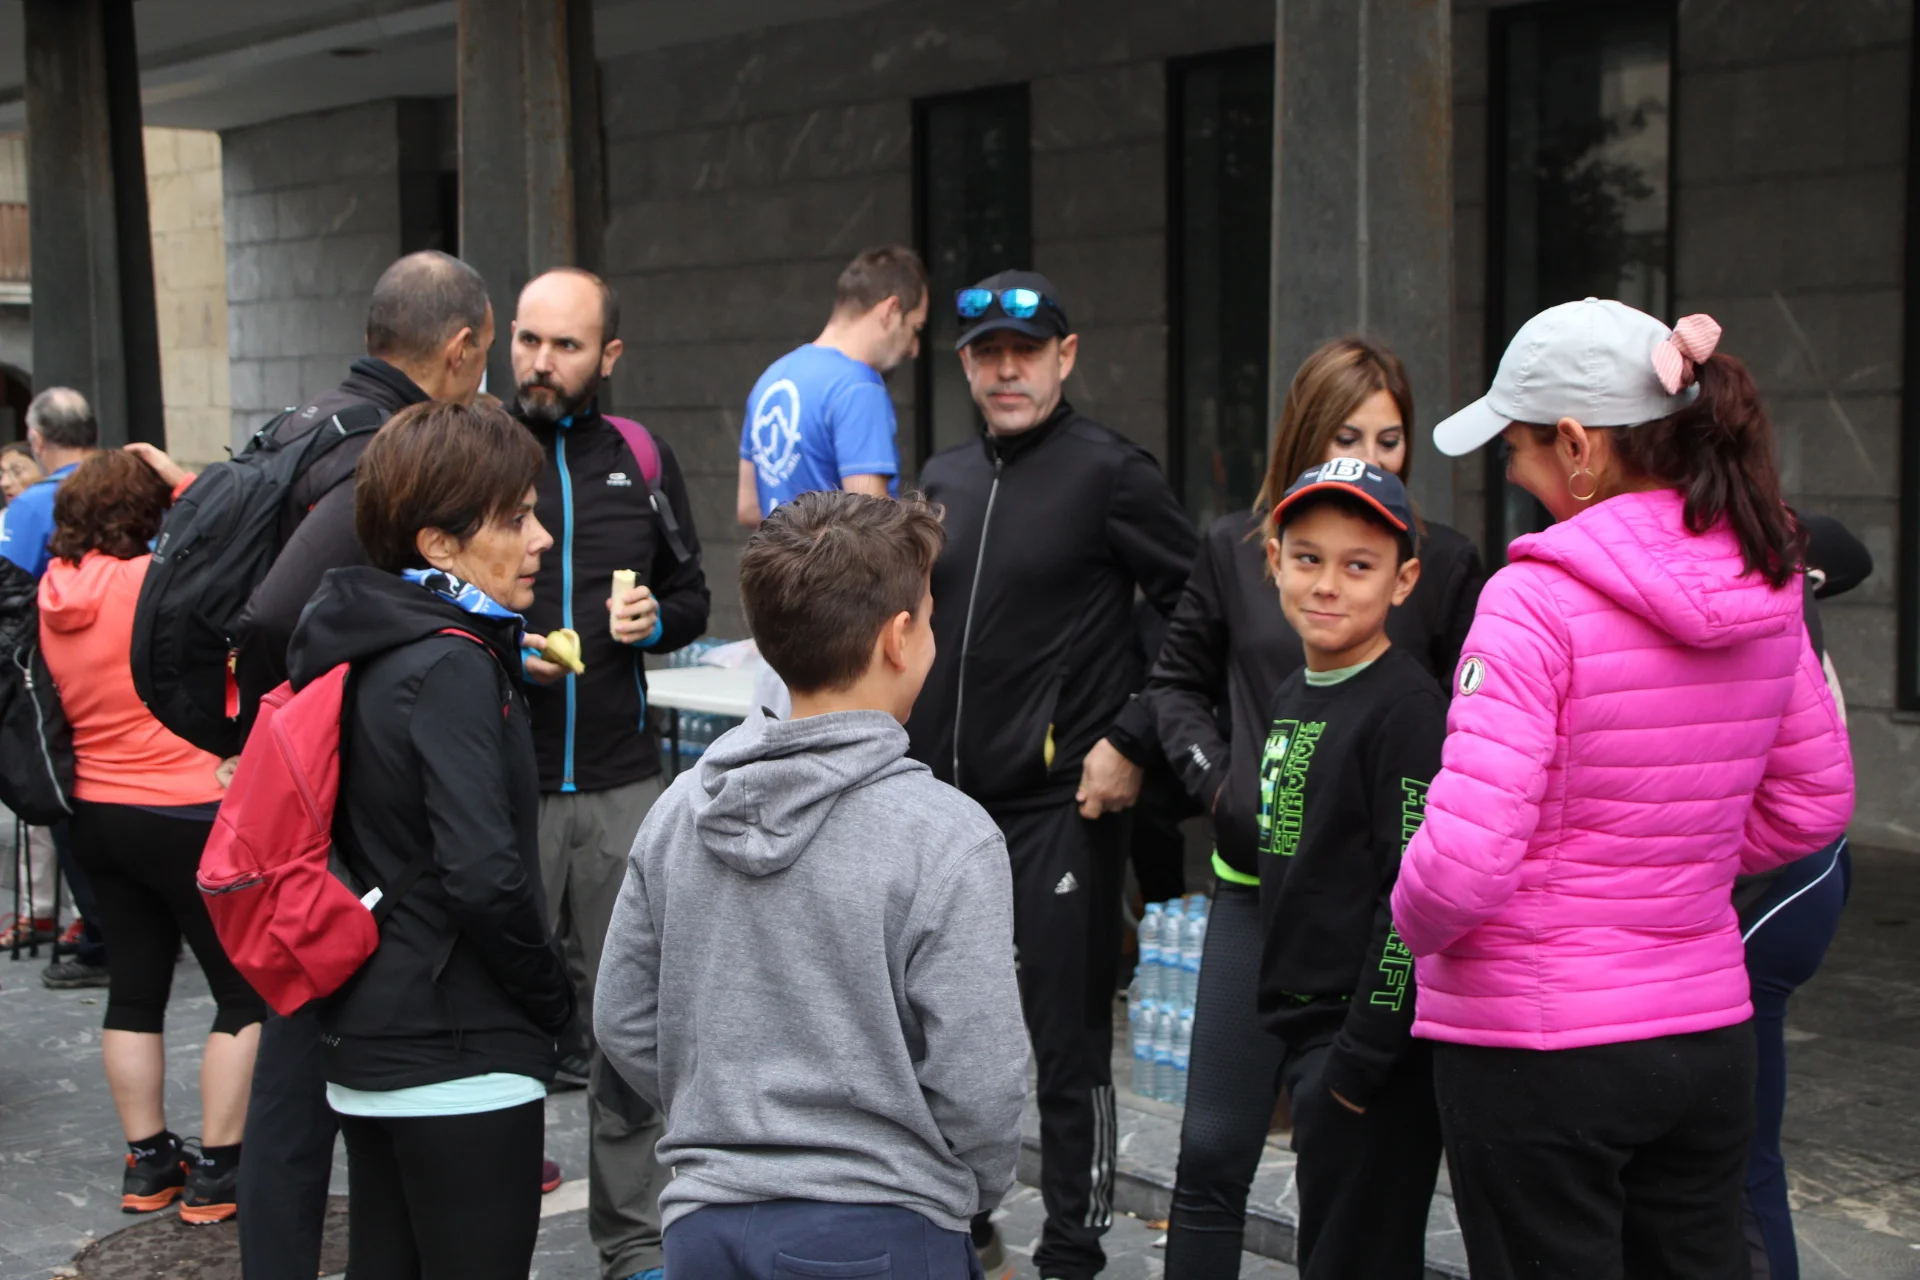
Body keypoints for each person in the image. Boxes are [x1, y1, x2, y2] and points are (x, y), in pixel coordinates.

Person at [1392, 301, 1857, 1279]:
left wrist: (1406, 917)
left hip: (1536, 1042)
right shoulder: (1767, 579)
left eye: (1514, 448)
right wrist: (1674, 853)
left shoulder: (1531, 601)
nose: (1509, 472)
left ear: (1578, 445)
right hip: (1704, 1033)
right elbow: (1813, 800)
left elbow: (1463, 863)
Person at [596, 489, 1029, 1279]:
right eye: (930, 619)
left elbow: (622, 1017)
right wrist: (963, 1189)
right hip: (886, 1226)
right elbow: (982, 1081)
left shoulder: (678, 810)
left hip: (704, 1224)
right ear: (899, 638)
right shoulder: (948, 836)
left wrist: (721, 1113)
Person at [1149, 336, 1485, 1276]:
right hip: (1260, 901)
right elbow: (1173, 685)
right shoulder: (1239, 557)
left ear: (1399, 578)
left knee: (1357, 1211)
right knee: (1215, 1149)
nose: (1329, 584)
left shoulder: (1438, 579)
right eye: (1346, 435)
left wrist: (1366, 1049)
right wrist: (1226, 789)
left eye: (1391, 439)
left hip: (1366, 948)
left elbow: (1425, 852)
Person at [907, 271, 1198, 1280]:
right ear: (965, 366)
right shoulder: (941, 477)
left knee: (1067, 1042)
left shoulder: (1111, 472)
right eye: (987, 353)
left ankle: (1073, 1246)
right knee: (937, 1032)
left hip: (1061, 806)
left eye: (1025, 352)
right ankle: (962, 1222)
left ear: (1065, 357)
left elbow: (1194, 609)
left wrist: (1132, 735)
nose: (1007, 370)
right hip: (945, 807)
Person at [234, 250, 495, 1280]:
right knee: (300, 1074)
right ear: (463, 346)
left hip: (325, 820)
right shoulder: (378, 448)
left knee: (309, 1067)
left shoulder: (319, 422)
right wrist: (324, 726)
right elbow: (272, 619)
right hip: (332, 831)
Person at [284, 400, 573, 1280]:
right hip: (458, 1043)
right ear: (438, 544)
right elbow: (484, 875)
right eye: (516, 519)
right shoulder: (451, 663)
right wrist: (553, 999)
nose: (541, 540)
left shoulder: (374, 638)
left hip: (375, 1029)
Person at [511, 267, 709, 1280]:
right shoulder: (477, 449)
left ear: (609, 357)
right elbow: (420, 592)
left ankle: (631, 1243)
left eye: (566, 345)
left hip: (624, 782)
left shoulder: (641, 455)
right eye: (528, 339)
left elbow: (694, 594)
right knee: (495, 1023)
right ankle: (482, 1229)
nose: (541, 363)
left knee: (630, 1023)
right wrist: (504, 653)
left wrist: (655, 620)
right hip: (502, 784)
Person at [40, 445, 267, 1223]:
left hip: (96, 814)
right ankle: (219, 1170)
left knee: (134, 992)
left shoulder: (55, 588)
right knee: (244, 994)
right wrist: (185, 482)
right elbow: (240, 528)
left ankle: (148, 1163)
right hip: (188, 810)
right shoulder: (157, 583)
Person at [1251, 460, 1445, 1276]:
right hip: (1309, 1038)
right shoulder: (1294, 690)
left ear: (1403, 581)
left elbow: (1413, 899)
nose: (1327, 584)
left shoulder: (1407, 710)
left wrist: (1357, 1064)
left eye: (1358, 565)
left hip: (1368, 1055)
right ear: (1274, 561)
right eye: (1308, 558)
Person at [1739, 513, 1868, 1280]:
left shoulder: (1751, 541)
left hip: (1786, 877)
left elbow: (1852, 554)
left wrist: (1783, 550)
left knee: (1740, 1153)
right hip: (1780, 871)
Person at [2, 388, 110, 991]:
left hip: (63, 682)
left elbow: (10, 599)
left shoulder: (31, 506)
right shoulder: (138, 486)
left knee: (70, 804)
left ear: (37, 439)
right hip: (142, 673)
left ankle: (101, 935)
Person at [736, 245, 927, 526]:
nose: (915, 349)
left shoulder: (771, 378)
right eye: (915, 329)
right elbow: (871, 524)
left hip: (778, 555)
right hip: (840, 557)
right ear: (891, 311)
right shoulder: (859, 387)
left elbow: (750, 509)